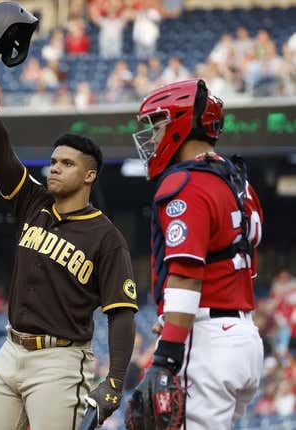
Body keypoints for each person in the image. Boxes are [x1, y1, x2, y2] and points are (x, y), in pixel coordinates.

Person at [0, 59, 138, 429]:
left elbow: (121, 312)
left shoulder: (106, 238)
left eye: (67, 163)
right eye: (53, 161)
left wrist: (116, 380)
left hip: (60, 362)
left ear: (89, 175)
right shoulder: (33, 201)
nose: (55, 168)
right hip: (10, 350)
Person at [125, 79, 264, 429]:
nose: (152, 138)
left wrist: (166, 357)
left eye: (157, 126)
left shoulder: (185, 182)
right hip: (244, 339)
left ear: (179, 124)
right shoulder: (239, 181)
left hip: (205, 341)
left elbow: (187, 273)